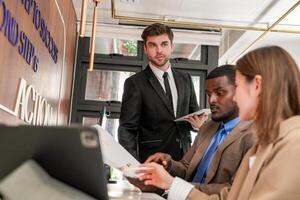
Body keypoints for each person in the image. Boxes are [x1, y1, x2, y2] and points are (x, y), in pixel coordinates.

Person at [137, 46, 300, 200]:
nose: (236, 98)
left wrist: (171, 185)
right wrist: (169, 183)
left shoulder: (294, 143)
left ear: (257, 85)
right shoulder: (268, 142)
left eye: (238, 87)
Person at [142, 65, 254, 195]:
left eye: (219, 93)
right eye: (208, 94)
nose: (211, 100)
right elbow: (187, 168)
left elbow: (233, 190)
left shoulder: (255, 135)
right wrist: (169, 164)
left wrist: (176, 187)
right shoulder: (207, 127)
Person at [118, 23, 199, 162]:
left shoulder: (185, 79)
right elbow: (127, 130)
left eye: (164, 44)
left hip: (185, 160)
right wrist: (133, 167)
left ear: (171, 46)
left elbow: (194, 114)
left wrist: (197, 125)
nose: (159, 50)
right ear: (145, 48)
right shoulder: (135, 83)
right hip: (152, 162)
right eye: (153, 45)